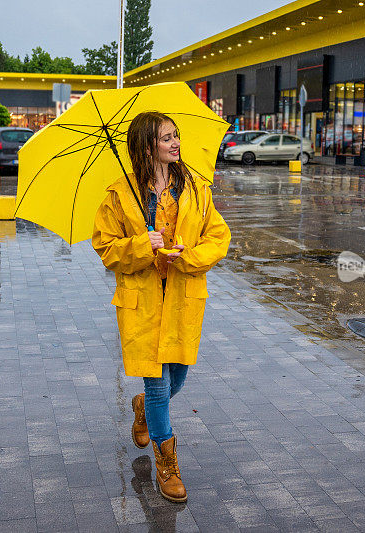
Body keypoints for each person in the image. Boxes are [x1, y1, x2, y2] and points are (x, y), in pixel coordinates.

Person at [92, 111, 231, 503]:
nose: (175, 143)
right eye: (166, 138)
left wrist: (189, 255)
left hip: (183, 296)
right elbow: (104, 247)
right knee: (158, 386)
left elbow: (218, 236)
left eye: (176, 136)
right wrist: (141, 245)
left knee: (178, 380)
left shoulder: (195, 187)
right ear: (147, 145)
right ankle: (167, 466)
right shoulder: (120, 194)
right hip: (144, 301)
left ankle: (142, 409)